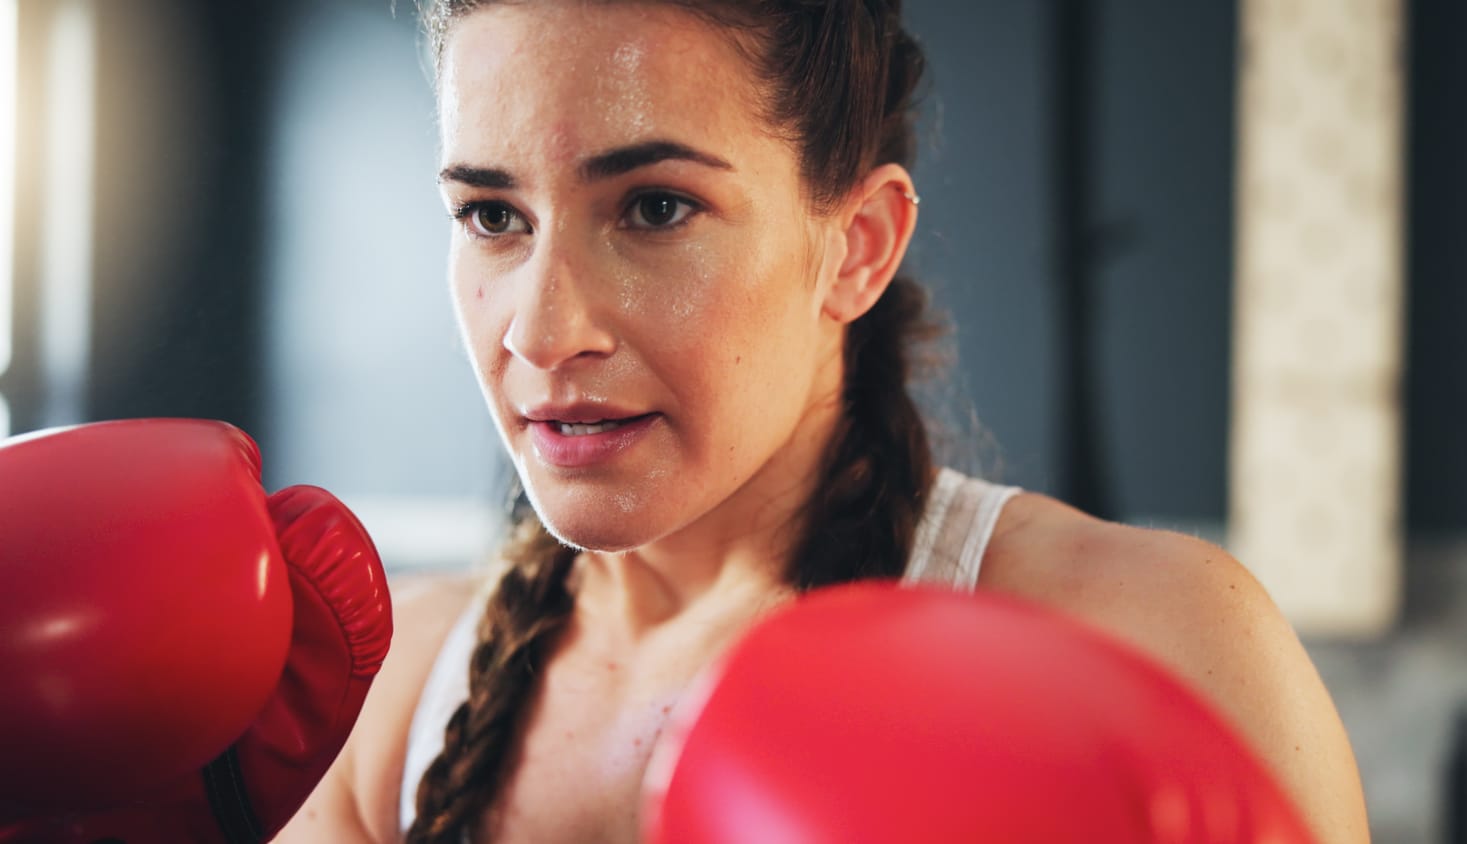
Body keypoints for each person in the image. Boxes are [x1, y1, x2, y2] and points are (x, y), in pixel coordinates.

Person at [279, 1, 1369, 842]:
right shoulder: (386, 698)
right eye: (491, 216)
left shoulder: (1154, 639)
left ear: (855, 245)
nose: (543, 330)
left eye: (656, 207)